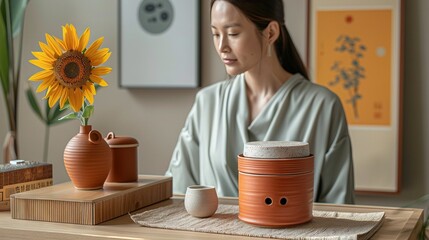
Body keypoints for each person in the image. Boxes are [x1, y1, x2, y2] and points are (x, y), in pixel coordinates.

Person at [166, 0, 355, 204]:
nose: (222, 46)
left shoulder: (323, 107)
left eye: (233, 33)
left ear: (271, 32)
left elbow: (340, 208)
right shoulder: (207, 103)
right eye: (216, 34)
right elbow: (177, 191)